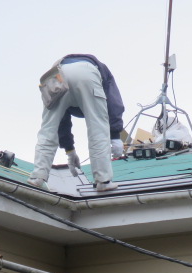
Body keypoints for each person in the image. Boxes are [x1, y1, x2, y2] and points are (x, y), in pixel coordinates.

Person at [29, 54, 125, 192]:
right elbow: (113, 102)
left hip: (57, 74)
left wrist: (70, 151)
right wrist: (115, 136)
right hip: (86, 72)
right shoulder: (103, 72)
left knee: (48, 128)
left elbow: (60, 124)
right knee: (97, 126)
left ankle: (37, 177)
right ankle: (103, 181)